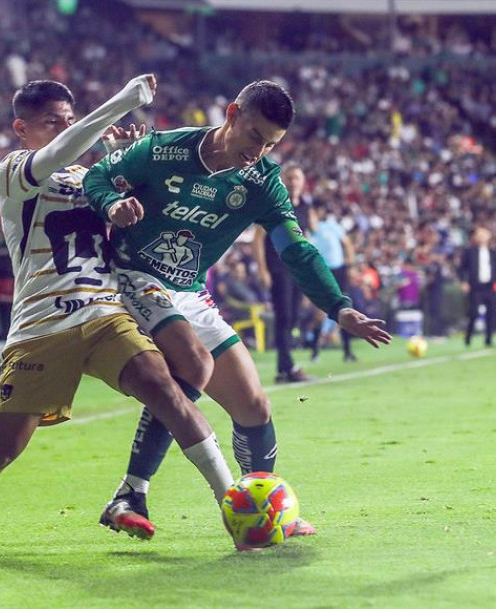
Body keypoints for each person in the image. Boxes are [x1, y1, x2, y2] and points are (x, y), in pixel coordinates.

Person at [0, 75, 235, 551]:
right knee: (3, 448)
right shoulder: (14, 171)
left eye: (69, 121)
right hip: (42, 325)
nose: (65, 129)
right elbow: (59, 153)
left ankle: (233, 505)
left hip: (104, 312)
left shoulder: (94, 178)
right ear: (21, 128)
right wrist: (122, 101)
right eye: (53, 122)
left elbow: (133, 223)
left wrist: (131, 172)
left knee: (167, 390)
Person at [84, 80, 391, 537]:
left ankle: (260, 505)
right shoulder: (164, 149)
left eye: (270, 144)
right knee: (192, 365)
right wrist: (112, 205)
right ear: (232, 114)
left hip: (189, 290)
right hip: (134, 275)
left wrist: (339, 308)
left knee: (254, 405)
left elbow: (296, 251)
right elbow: (97, 177)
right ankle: (139, 489)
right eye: (254, 136)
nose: (258, 151)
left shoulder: (263, 182)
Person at [253, 162, 314, 382]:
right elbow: (258, 238)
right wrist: (262, 270)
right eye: (289, 178)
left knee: (294, 316)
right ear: (283, 181)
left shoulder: (305, 208)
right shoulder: (275, 203)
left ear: (303, 182)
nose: (293, 183)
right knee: (284, 316)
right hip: (278, 267)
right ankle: (288, 366)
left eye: (297, 178)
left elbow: (305, 238)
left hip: (297, 269)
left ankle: (283, 369)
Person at [308, 200, 358, 361]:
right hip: (319, 273)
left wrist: (350, 266)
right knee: (319, 313)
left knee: (344, 308)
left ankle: (348, 351)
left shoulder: (330, 226)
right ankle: (315, 351)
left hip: (338, 271)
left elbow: (347, 243)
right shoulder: (304, 232)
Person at [459, 226, 496, 347]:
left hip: (490, 287)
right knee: (473, 312)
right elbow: (462, 269)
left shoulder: (493, 252)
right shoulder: (469, 251)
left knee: (491, 313)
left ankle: (489, 338)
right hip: (476, 287)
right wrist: (464, 282)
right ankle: (468, 337)